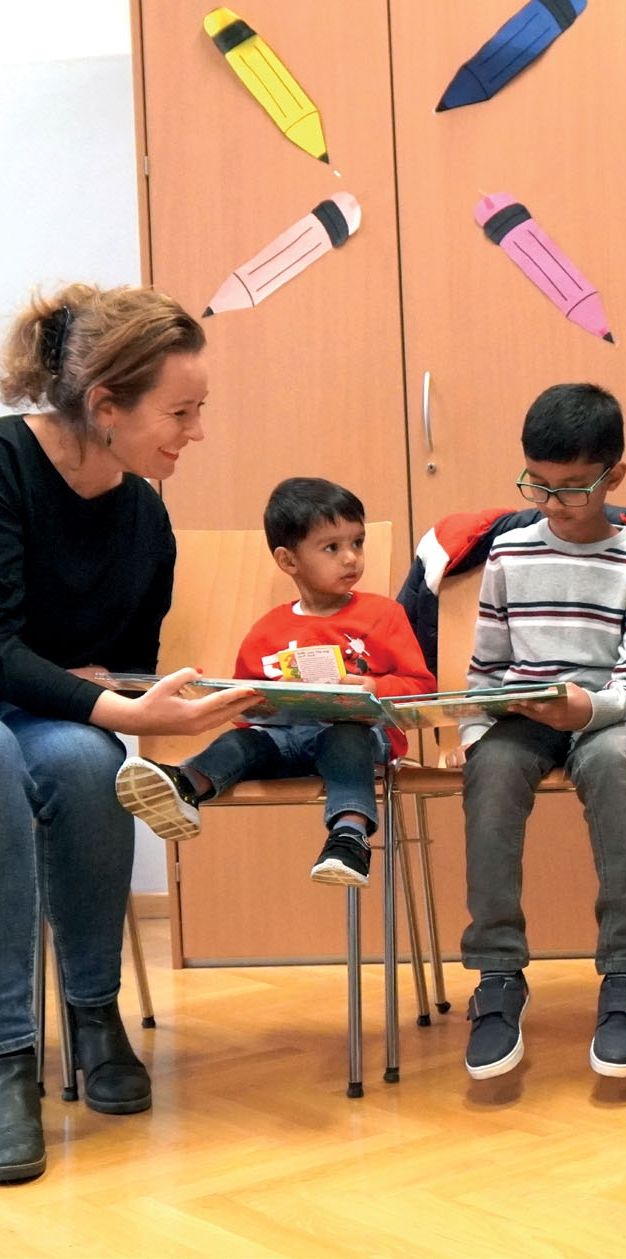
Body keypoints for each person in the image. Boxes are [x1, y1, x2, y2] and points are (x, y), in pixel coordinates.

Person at [0, 284, 258, 1183]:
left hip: (48, 711)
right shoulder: (3, 465)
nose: (196, 432)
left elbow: (123, 665)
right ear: (105, 404)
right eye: (180, 413)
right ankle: (9, 1052)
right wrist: (105, 698)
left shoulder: (144, 514)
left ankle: (93, 1010)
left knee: (85, 762)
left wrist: (146, 698)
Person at [451, 383, 626, 1081]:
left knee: (610, 764)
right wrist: (475, 728)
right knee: (491, 768)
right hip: (527, 713)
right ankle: (496, 974)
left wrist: (588, 709)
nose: (552, 502)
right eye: (537, 484)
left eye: (572, 488)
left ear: (614, 477)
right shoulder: (509, 555)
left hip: (614, 715)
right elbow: (486, 671)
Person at [114, 477, 436, 886]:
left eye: (357, 543)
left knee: (345, 737)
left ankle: (349, 837)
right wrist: (258, 703)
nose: (351, 558)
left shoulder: (383, 614)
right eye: (332, 547)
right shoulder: (268, 629)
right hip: (285, 739)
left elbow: (421, 688)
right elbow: (245, 705)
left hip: (362, 738)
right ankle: (187, 786)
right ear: (288, 561)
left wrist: (372, 688)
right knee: (242, 742)